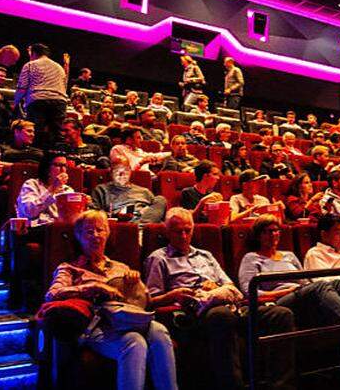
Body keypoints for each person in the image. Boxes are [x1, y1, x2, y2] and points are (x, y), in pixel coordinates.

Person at [143, 208, 295, 390]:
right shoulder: (159, 258)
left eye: (188, 230)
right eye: (178, 231)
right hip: (194, 312)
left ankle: (280, 386)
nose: (184, 236)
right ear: (167, 232)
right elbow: (151, 300)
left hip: (227, 303)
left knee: (281, 314)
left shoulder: (205, 255)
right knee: (222, 316)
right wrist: (175, 295)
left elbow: (230, 285)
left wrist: (217, 289)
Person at [45, 210, 178, 390]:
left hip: (128, 318)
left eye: (100, 230)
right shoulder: (70, 268)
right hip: (96, 325)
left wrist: (137, 285)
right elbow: (52, 294)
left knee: (159, 330)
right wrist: (94, 287)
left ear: (107, 233)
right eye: (89, 232)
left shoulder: (120, 267)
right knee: (134, 342)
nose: (95, 236)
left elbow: (146, 302)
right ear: (78, 236)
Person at [239, 215, 340, 325]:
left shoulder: (288, 255)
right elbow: (249, 292)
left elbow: (305, 281)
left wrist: (301, 288)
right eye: (268, 231)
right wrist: (282, 292)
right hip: (279, 301)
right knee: (321, 284)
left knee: (336, 282)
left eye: (277, 230)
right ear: (258, 235)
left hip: (300, 294)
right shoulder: (251, 258)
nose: (274, 234)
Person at [14, 43, 68, 148]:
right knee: (57, 134)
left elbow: (21, 89)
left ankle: (35, 158)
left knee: (36, 133)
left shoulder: (30, 65)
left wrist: (16, 104)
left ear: (33, 53)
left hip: (38, 101)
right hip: (59, 102)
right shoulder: (59, 67)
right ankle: (58, 159)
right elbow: (64, 86)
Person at [90, 160, 168, 223]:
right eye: (117, 170)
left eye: (125, 170)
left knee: (161, 199)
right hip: (121, 222)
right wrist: (116, 215)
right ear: (111, 172)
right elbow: (95, 213)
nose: (122, 174)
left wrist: (143, 212)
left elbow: (155, 211)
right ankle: (135, 227)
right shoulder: (101, 189)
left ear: (130, 172)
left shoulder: (144, 191)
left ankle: (137, 225)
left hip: (145, 218)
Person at [16, 151, 74, 226]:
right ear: (47, 168)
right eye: (58, 165)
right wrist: (53, 188)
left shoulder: (67, 190)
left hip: (60, 230)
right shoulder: (31, 184)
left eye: (65, 166)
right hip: (36, 231)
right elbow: (29, 212)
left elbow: (72, 218)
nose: (63, 170)